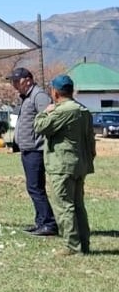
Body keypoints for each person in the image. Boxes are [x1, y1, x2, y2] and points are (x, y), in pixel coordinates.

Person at [33, 74, 95, 255]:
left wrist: (46, 111)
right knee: (78, 205)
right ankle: (84, 243)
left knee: (64, 206)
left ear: (55, 92)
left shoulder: (63, 110)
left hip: (62, 164)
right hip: (79, 163)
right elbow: (90, 139)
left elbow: (40, 127)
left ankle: (72, 246)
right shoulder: (83, 110)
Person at [9, 67, 57, 236]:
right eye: (13, 81)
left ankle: (49, 224)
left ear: (28, 79)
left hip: (36, 150)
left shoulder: (39, 96)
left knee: (36, 188)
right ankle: (40, 222)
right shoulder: (27, 97)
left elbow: (49, 120)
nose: (14, 84)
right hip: (28, 149)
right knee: (33, 187)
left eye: (17, 81)